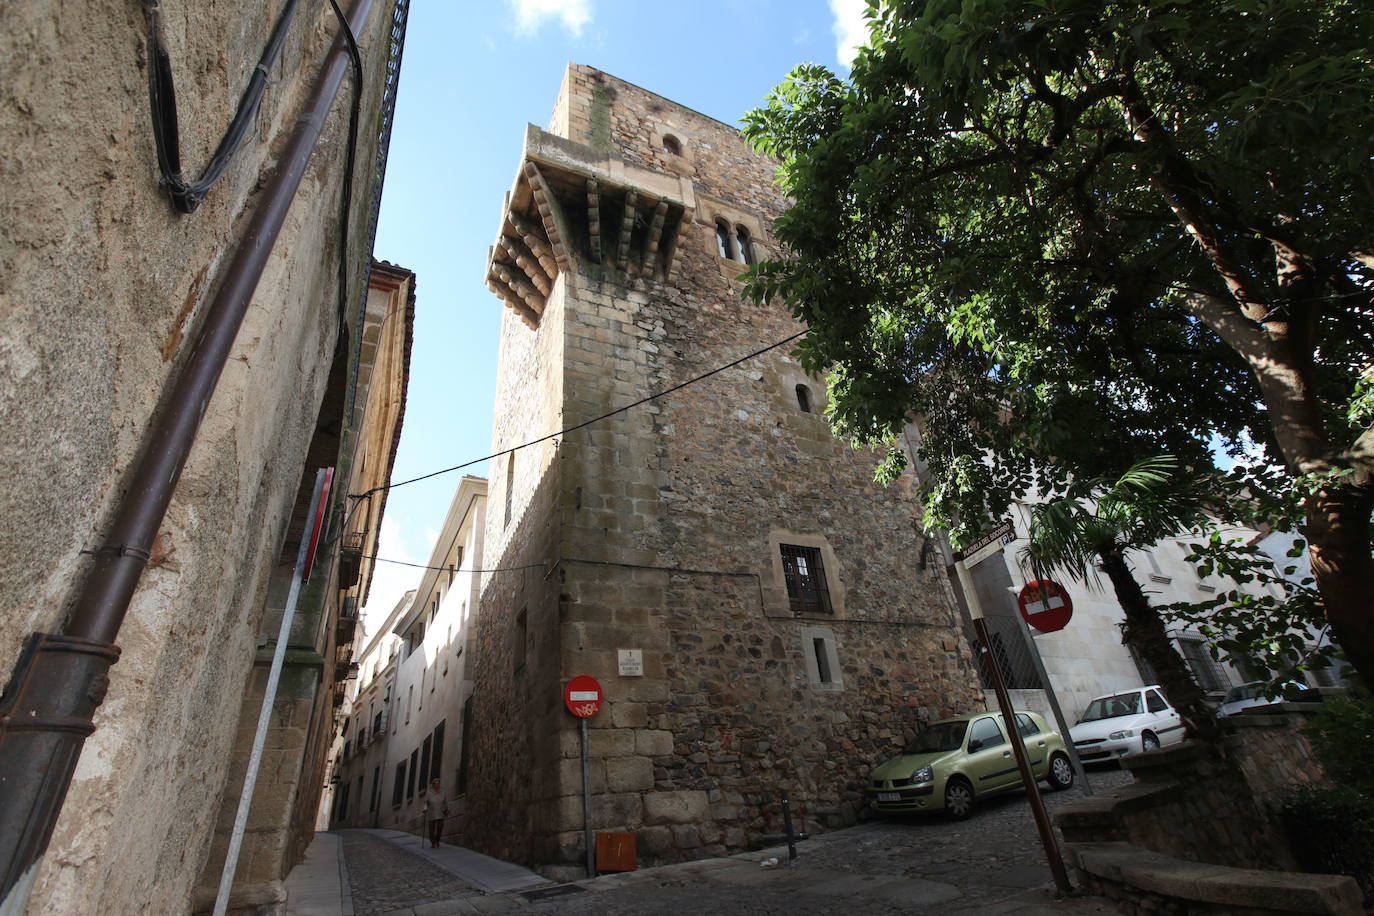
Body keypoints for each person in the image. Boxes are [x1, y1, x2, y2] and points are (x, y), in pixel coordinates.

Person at [423, 777, 447, 848]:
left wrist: (446, 809)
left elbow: (445, 802)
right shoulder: (429, 792)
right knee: (431, 828)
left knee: (440, 828)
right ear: (433, 784)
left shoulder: (442, 792)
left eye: (438, 783)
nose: (437, 785)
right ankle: (433, 842)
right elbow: (425, 802)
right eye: (436, 783)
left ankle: (437, 840)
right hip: (432, 812)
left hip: (440, 811)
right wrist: (425, 808)